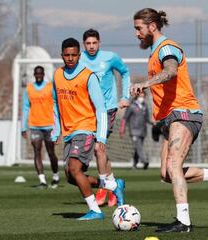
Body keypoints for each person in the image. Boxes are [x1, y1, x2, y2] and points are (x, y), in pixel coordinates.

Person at [132, 8, 208, 233]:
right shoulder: (153, 52)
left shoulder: (167, 47)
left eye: (139, 28)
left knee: (173, 164)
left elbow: (170, 71)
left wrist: (145, 83)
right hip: (168, 120)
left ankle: (184, 221)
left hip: (183, 113)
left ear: (152, 26)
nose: (136, 34)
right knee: (167, 173)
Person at [51, 37, 124, 221]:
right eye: (67, 55)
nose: (70, 58)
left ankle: (95, 210)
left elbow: (101, 108)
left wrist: (101, 138)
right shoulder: (57, 75)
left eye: (74, 55)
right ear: (62, 55)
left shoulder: (88, 76)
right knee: (70, 176)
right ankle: (112, 186)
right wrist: (56, 129)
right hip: (68, 132)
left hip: (86, 129)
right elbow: (54, 102)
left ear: (79, 55)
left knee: (75, 168)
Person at [80, 29, 129, 207]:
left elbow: (125, 72)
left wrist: (125, 96)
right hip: (88, 111)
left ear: (99, 43)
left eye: (94, 43)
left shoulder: (110, 57)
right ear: (83, 44)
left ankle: (103, 187)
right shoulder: (79, 59)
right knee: (101, 151)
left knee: (98, 149)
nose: (91, 46)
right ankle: (114, 185)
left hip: (107, 109)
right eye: (88, 43)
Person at [21, 66, 59, 189]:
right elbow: (26, 108)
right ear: (34, 74)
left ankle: (55, 176)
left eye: (40, 73)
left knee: (51, 152)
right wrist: (23, 127)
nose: (38, 75)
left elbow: (55, 105)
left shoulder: (50, 87)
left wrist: (57, 126)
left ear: (43, 74)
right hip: (35, 125)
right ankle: (42, 181)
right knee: (37, 151)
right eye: (36, 73)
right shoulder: (29, 89)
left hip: (49, 125)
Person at [119, 91, 152, 170]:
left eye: (143, 96)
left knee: (138, 148)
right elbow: (125, 118)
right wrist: (122, 129)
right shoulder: (132, 106)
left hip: (143, 130)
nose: (142, 98)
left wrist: (153, 123)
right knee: (139, 146)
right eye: (140, 96)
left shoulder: (145, 106)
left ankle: (134, 164)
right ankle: (144, 161)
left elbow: (147, 119)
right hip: (134, 130)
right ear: (137, 97)